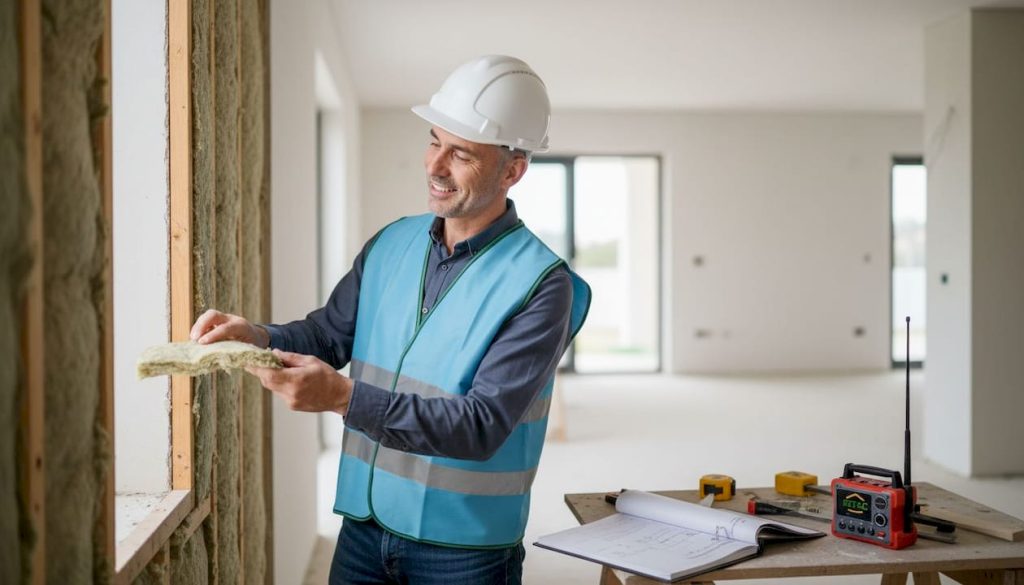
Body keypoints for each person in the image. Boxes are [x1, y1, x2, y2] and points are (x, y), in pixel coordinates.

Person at [190, 54, 590, 584]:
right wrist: (258, 336)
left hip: (463, 549)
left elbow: (481, 425)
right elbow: (329, 335)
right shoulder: (392, 242)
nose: (435, 166)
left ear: (512, 170)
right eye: (434, 141)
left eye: (461, 154)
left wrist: (342, 397)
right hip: (364, 526)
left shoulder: (542, 283)